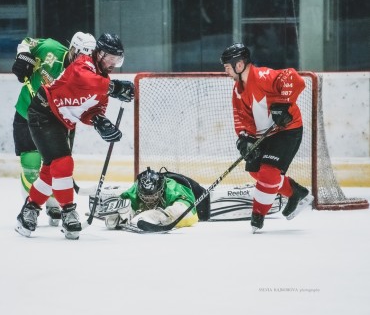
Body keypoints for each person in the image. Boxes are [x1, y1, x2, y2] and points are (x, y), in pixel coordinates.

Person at [15, 33, 135, 240]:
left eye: (117, 60)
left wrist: (100, 122)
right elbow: (85, 80)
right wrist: (114, 88)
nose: (113, 64)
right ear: (99, 53)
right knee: (63, 164)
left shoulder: (103, 81)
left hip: (62, 122)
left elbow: (93, 110)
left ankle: (30, 209)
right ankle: (68, 211)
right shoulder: (83, 63)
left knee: (50, 170)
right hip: (42, 112)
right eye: (110, 58)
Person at [220, 42, 314, 233]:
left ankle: (258, 215)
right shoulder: (237, 91)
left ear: (239, 65)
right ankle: (294, 192)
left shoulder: (263, 76)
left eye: (228, 67)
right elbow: (241, 118)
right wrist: (245, 138)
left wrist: (284, 104)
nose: (226, 72)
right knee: (255, 170)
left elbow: (294, 78)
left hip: (288, 130)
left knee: (269, 172)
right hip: (266, 135)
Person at [11, 32, 96, 227]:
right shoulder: (50, 48)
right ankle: (31, 208)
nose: (83, 60)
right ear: (72, 49)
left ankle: (53, 202)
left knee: (54, 166)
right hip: (26, 113)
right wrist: (23, 57)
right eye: (80, 54)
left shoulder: (84, 75)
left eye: (88, 57)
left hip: (59, 124)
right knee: (31, 163)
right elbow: (26, 42)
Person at [102, 167, 199, 230]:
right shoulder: (134, 190)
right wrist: (120, 214)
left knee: (179, 210)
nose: (149, 200)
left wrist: (161, 216)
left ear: (161, 190)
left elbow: (189, 210)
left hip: (197, 198)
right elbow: (124, 199)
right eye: (145, 197)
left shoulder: (172, 189)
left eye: (153, 195)